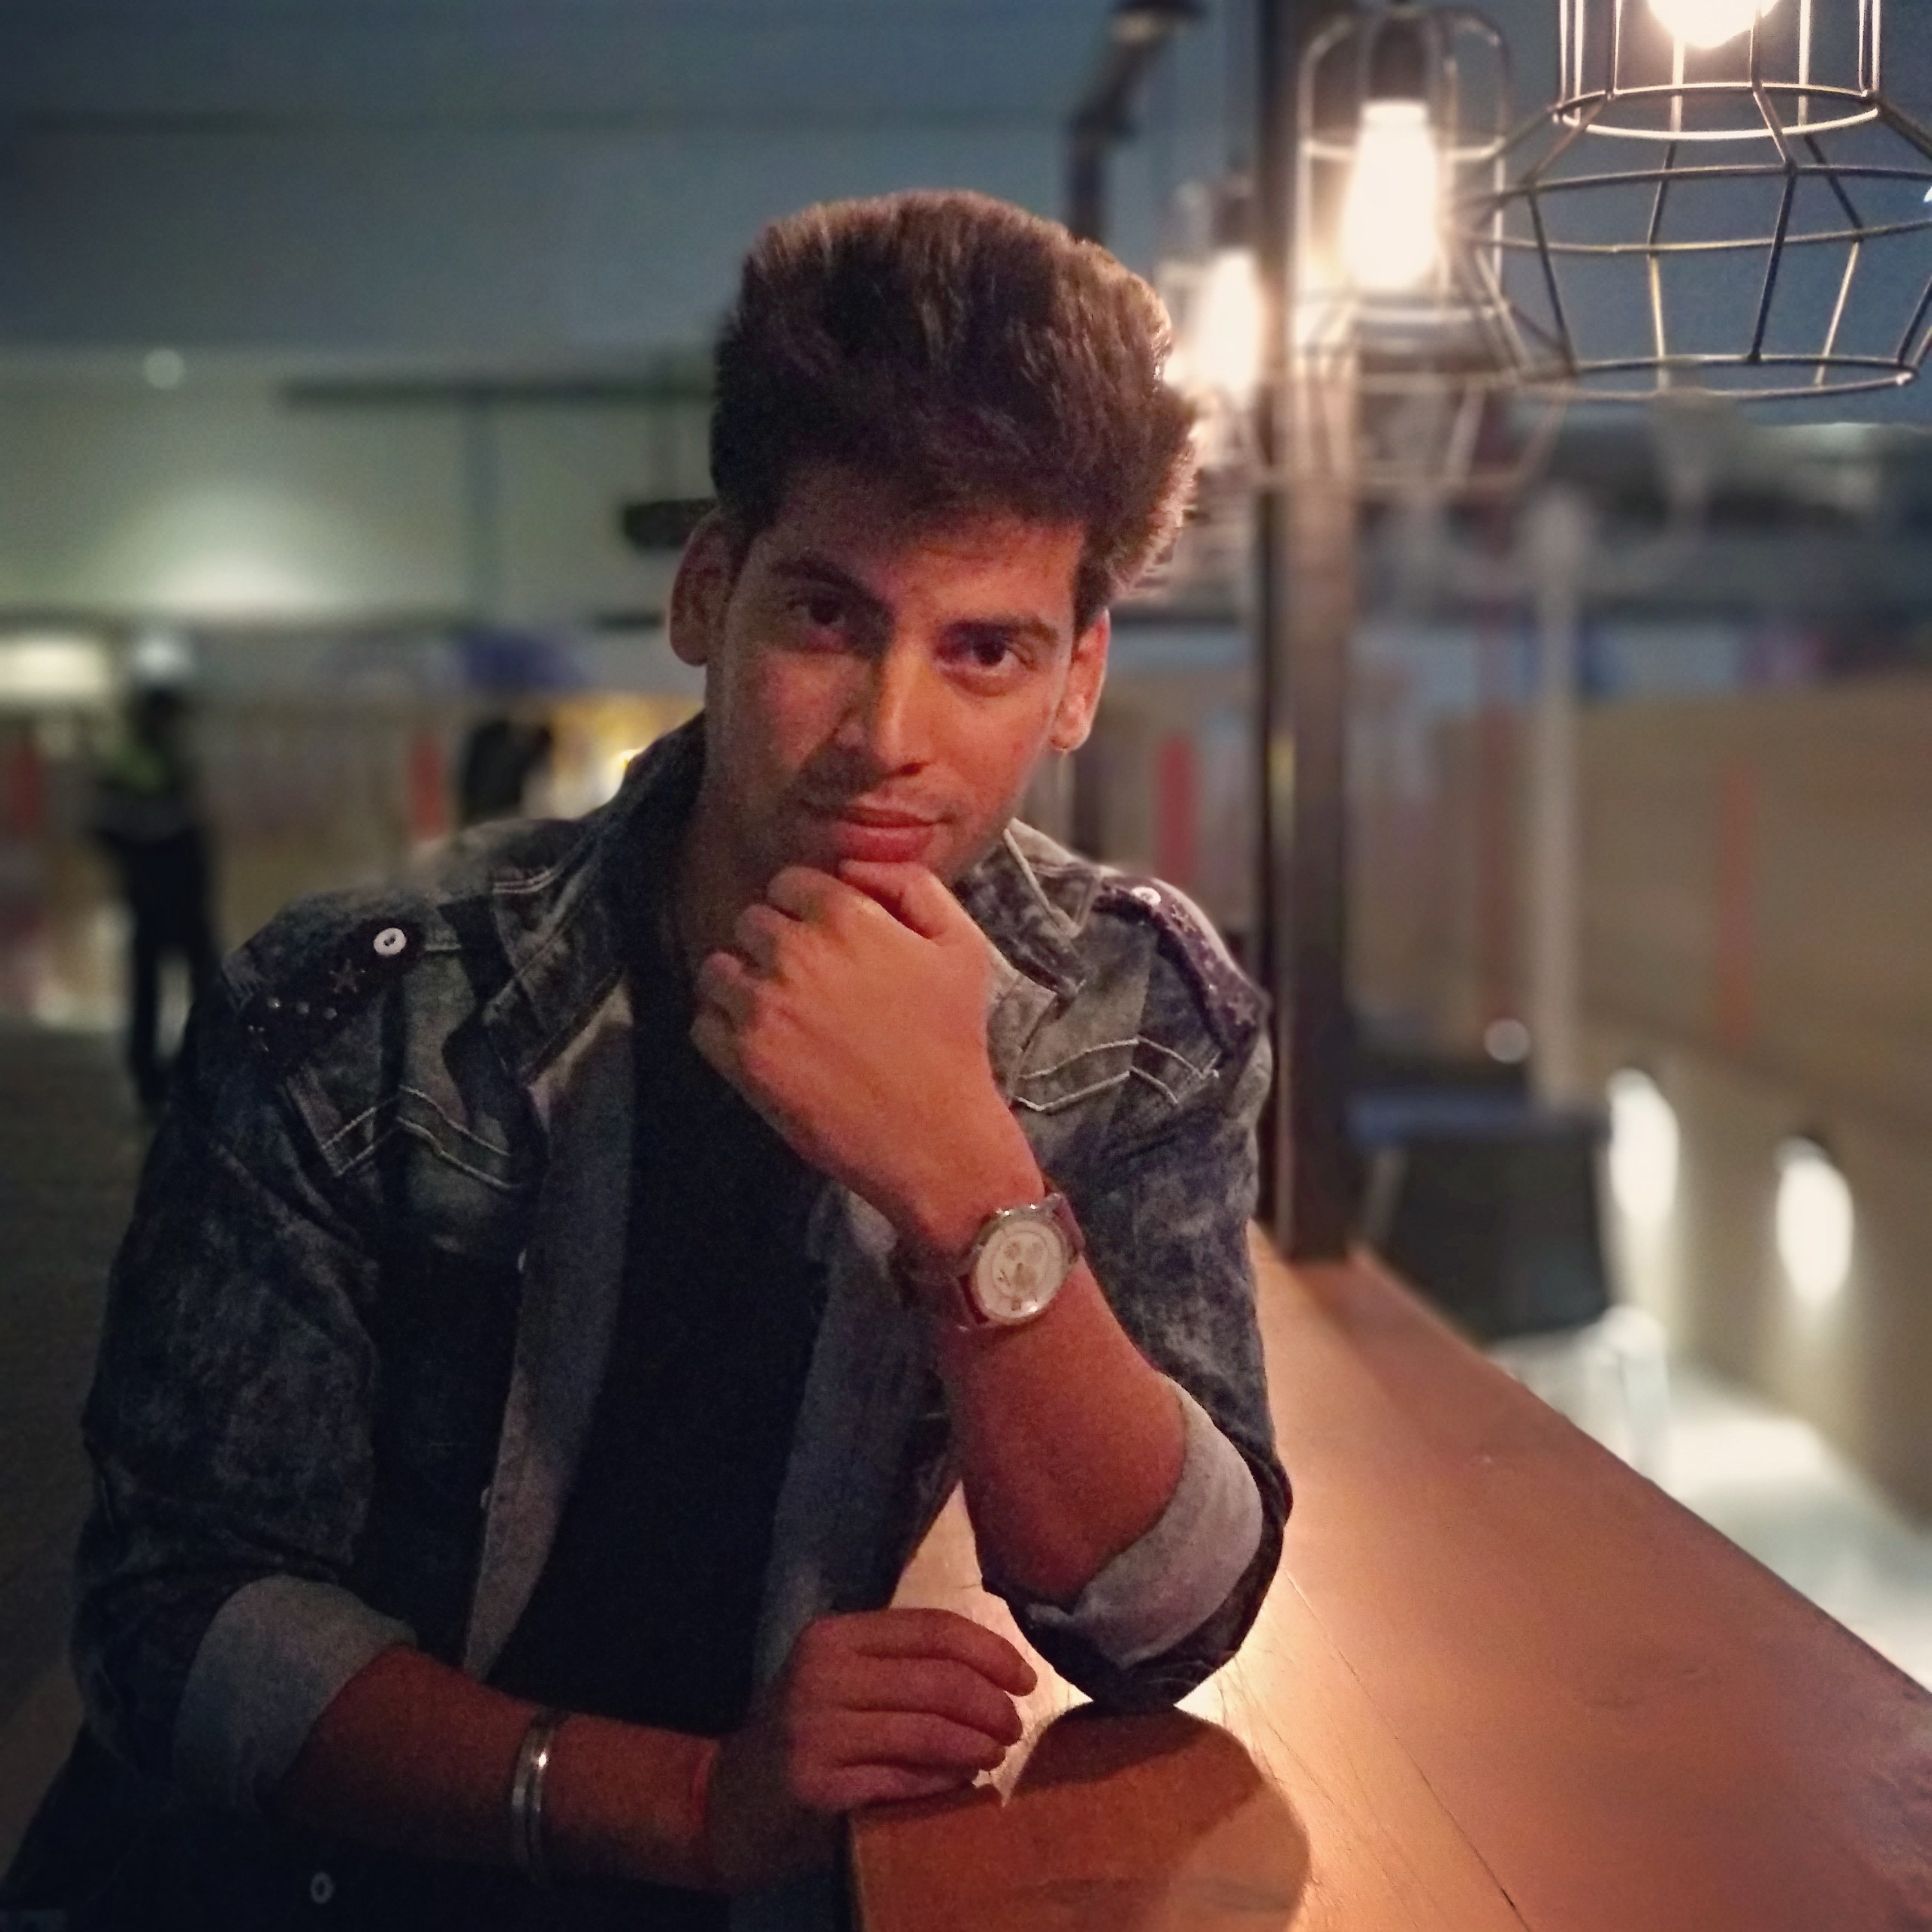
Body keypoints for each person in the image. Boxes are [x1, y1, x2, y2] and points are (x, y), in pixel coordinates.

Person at [3, 190, 1288, 1931]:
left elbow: (1168, 1621)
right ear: (708, 593)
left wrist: (966, 1184)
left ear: (1076, 680)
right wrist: (689, 1806)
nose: (889, 735)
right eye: (828, 618)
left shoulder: (1135, 1017)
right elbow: (177, 1617)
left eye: (985, 651)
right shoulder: (357, 1011)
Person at [88, 679, 219, 1121]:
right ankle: (179, 1073)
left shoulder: (141, 757)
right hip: (165, 889)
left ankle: (160, 1075)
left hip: (157, 890)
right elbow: (142, 822)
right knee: (185, 982)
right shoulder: (144, 760)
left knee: (155, 985)